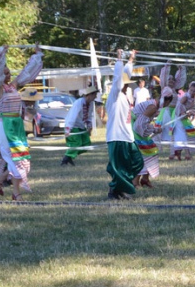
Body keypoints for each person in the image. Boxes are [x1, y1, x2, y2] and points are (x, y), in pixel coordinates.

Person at [0, 45, 43, 201]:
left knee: (20, 158)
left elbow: (26, 73)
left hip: (17, 126)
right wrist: (2, 55)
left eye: (9, 73)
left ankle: (0, 180)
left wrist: (37, 56)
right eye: (5, 73)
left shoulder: (12, 86)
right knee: (15, 159)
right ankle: (16, 193)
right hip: (5, 126)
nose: (8, 75)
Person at [104, 50, 144, 200]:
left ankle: (118, 187)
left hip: (127, 137)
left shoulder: (125, 96)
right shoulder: (114, 95)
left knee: (137, 162)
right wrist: (119, 60)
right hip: (116, 137)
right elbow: (117, 78)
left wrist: (131, 60)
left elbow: (125, 74)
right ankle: (114, 191)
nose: (126, 85)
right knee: (119, 167)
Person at [60, 85, 99, 166]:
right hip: (73, 126)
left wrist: (89, 126)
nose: (95, 97)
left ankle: (69, 157)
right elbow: (72, 116)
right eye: (94, 95)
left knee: (86, 143)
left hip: (81, 125)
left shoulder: (91, 104)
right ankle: (66, 159)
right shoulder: (79, 103)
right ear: (89, 95)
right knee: (76, 144)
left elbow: (89, 115)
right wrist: (68, 129)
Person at [132, 97, 163, 188]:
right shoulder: (152, 107)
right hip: (135, 129)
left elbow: (144, 122)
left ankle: (145, 179)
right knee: (145, 153)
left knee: (152, 151)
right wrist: (154, 129)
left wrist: (154, 129)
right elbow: (139, 125)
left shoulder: (155, 106)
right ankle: (135, 181)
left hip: (138, 127)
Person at [171, 81, 195, 160]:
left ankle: (184, 154)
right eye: (191, 90)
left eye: (194, 91)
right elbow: (179, 106)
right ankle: (183, 154)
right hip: (178, 117)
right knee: (182, 135)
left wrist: (190, 113)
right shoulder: (186, 97)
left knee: (187, 134)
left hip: (184, 117)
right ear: (189, 89)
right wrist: (182, 113)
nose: (192, 92)